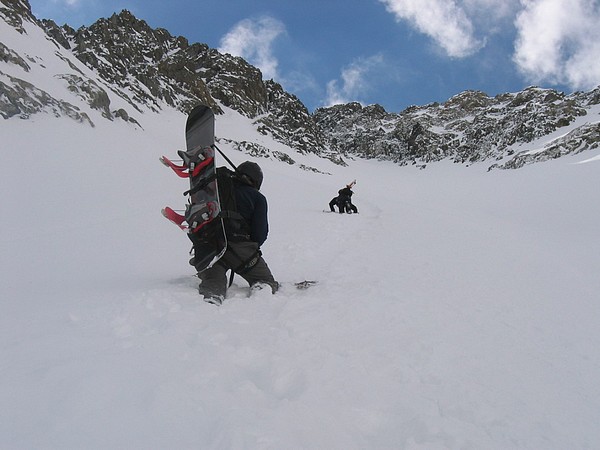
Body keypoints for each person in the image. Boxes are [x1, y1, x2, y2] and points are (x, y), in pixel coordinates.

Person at [197, 161, 278, 305]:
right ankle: (260, 296)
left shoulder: (216, 188)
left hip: (210, 247)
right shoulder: (257, 198)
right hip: (241, 250)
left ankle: (212, 292)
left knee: (214, 274)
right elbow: (260, 233)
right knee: (265, 280)